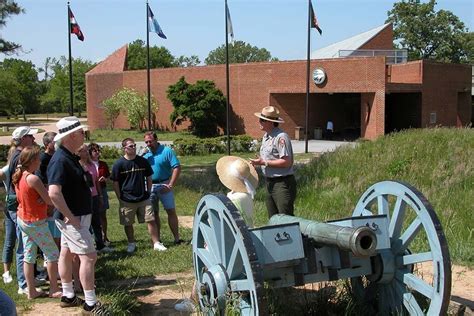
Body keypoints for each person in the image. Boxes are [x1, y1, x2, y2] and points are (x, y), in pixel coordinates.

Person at [174, 155, 258, 313]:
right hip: (247, 240)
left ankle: (194, 301)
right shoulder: (247, 194)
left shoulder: (233, 198)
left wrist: (207, 241)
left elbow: (223, 223)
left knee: (204, 265)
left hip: (230, 242)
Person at [47, 117, 104, 314]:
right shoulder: (60, 160)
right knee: (89, 257)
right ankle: (90, 303)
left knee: (66, 253)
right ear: (72, 135)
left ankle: (69, 295)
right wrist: (70, 217)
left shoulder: (67, 156)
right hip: (74, 218)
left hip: (75, 216)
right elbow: (54, 192)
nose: (84, 135)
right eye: (81, 132)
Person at [13, 146, 61, 299]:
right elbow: (49, 200)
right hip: (35, 222)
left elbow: (29, 196)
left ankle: (31, 291)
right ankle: (54, 289)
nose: (40, 161)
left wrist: (41, 197)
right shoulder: (33, 178)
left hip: (23, 219)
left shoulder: (19, 176)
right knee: (53, 254)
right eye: (38, 158)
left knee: (29, 255)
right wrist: (46, 196)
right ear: (33, 161)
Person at [111, 138, 161, 253]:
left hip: (143, 197)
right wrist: (120, 197)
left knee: (151, 220)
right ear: (124, 148)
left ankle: (156, 243)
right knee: (128, 222)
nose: (133, 148)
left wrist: (148, 192)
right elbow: (115, 182)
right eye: (131, 146)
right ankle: (131, 243)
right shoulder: (119, 164)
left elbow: (149, 177)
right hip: (127, 199)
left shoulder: (142, 161)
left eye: (134, 145)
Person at [5, 126, 38, 294]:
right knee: (22, 244)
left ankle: (30, 277)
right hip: (17, 202)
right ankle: (23, 284)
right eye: (30, 136)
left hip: (17, 201)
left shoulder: (16, 155)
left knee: (26, 243)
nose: (33, 138)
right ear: (23, 138)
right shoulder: (19, 157)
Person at [250, 106, 296, 218]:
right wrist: (259, 162)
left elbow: (287, 162)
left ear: (271, 122)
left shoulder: (281, 137)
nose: (259, 121)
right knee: (273, 219)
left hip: (282, 183)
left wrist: (264, 162)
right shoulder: (266, 136)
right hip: (269, 183)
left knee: (285, 218)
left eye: (262, 120)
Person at [143, 131, 182, 249]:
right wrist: (141, 155)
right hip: (150, 186)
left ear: (156, 140)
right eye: (146, 142)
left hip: (164, 184)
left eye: (150, 141)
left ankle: (176, 238)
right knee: (153, 214)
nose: (148, 144)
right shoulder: (145, 154)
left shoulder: (166, 151)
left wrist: (170, 185)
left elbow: (176, 167)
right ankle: (157, 241)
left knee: (171, 211)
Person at [77, 144, 112, 254]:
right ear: (78, 153)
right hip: (83, 198)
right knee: (85, 224)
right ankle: (88, 246)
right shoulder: (76, 166)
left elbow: (96, 181)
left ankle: (100, 245)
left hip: (95, 196)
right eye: (84, 151)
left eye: (87, 150)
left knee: (96, 221)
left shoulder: (92, 165)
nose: (87, 153)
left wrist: (100, 196)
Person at [88, 143, 111, 246]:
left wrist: (105, 179)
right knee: (92, 216)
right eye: (94, 151)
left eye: (98, 150)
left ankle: (104, 236)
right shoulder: (87, 165)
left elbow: (108, 176)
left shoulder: (103, 164)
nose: (97, 152)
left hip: (102, 189)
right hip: (92, 192)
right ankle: (94, 238)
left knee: (102, 214)